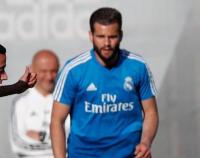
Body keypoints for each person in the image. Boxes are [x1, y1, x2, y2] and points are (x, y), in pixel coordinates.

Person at [50, 7, 159, 158]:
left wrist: (146, 142)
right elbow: (57, 121)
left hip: (129, 154)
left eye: (112, 36)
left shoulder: (138, 66)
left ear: (120, 35)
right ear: (91, 36)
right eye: (100, 36)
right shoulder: (73, 70)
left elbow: (151, 112)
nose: (106, 43)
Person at [10, 50, 69, 158]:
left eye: (54, 71)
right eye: (44, 71)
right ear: (32, 70)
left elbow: (75, 140)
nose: (49, 77)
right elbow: (18, 144)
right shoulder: (20, 101)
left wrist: (41, 136)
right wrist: (57, 139)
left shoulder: (67, 98)